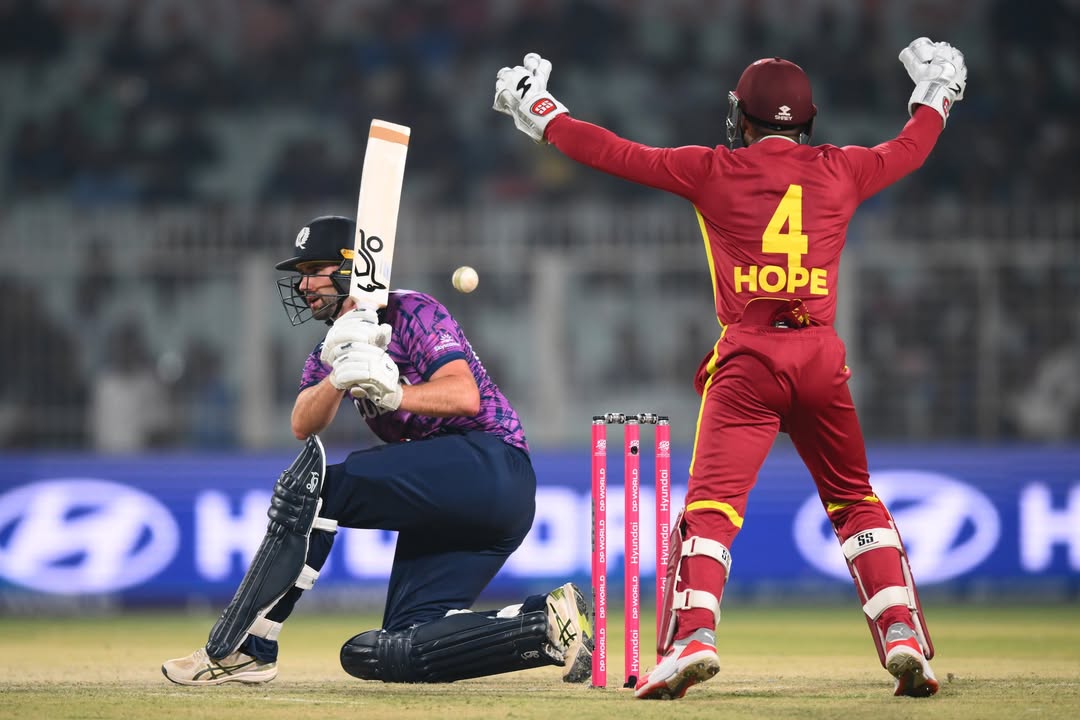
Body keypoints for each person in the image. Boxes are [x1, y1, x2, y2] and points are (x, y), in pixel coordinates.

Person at [493, 38, 966, 700]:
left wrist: (541, 111)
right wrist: (937, 94)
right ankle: (902, 634)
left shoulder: (712, 170)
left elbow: (612, 151)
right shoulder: (844, 168)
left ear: (741, 118)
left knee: (712, 509)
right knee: (855, 500)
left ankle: (692, 639)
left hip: (750, 359)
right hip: (821, 355)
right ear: (807, 121)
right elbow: (911, 148)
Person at [162, 214, 592, 685]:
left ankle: (246, 647)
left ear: (352, 268)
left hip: (491, 464)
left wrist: (394, 393)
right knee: (389, 649)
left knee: (315, 490)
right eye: (301, 275)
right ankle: (547, 622)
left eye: (314, 270)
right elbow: (302, 423)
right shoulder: (332, 346)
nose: (303, 285)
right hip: (449, 502)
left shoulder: (412, 311)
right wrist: (338, 376)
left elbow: (464, 395)